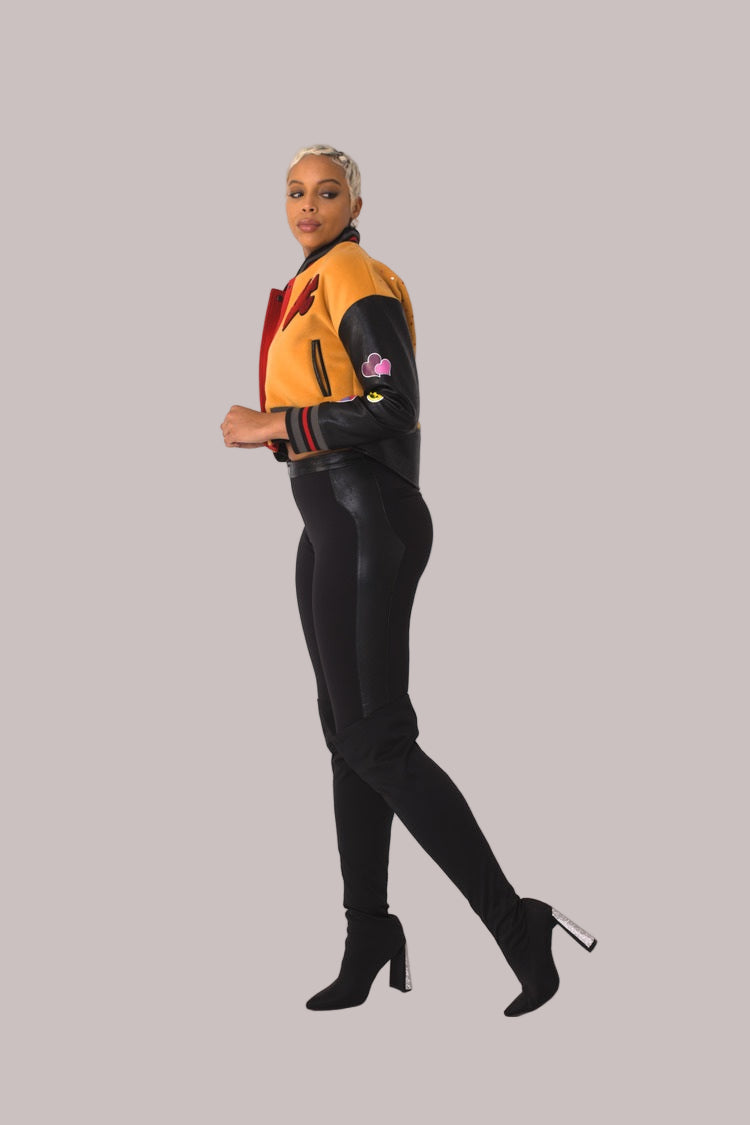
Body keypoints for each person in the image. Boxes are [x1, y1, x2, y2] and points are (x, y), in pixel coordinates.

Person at [220, 144, 596, 1015]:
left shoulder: (353, 274)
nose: (307, 205)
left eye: (327, 192)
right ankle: (369, 934)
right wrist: (286, 433)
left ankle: (519, 923)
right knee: (348, 739)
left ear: (356, 202)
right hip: (328, 525)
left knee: (377, 739)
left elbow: (395, 404)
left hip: (367, 519)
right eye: (294, 192)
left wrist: (274, 423)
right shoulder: (311, 281)